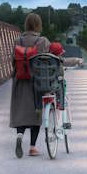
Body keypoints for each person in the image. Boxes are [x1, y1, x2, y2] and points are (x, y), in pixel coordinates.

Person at [10, 12, 50, 157]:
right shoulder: (42, 41)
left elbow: (13, 61)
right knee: (36, 113)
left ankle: (20, 135)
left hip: (20, 81)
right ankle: (32, 147)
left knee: (21, 111)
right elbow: (49, 60)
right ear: (38, 25)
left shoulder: (17, 41)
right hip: (37, 83)